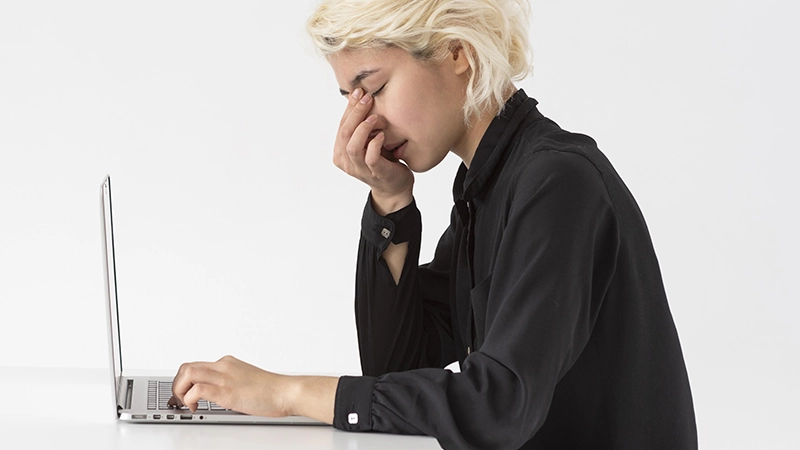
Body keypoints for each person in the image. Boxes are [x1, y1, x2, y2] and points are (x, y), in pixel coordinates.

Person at [168, 0, 698, 448]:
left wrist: (286, 395)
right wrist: (390, 200)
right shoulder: (485, 189)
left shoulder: (557, 183)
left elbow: (497, 405)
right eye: (350, 99)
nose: (363, 120)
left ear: (456, 51)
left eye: (371, 87)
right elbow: (395, 366)